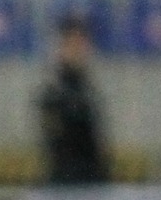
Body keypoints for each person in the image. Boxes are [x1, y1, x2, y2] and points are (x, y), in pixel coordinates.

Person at [35, 15, 109, 184]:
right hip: (67, 184)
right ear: (61, 48)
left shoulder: (88, 90)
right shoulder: (54, 92)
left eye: (82, 44)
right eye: (72, 44)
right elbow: (56, 146)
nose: (78, 50)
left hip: (94, 182)